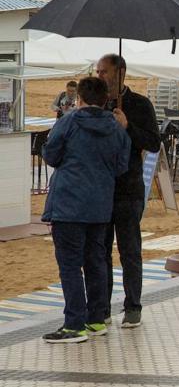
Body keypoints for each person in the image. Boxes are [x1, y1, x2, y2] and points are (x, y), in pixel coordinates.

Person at [41, 77, 130, 343]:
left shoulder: (69, 121)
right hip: (100, 205)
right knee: (96, 261)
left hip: (69, 204)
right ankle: (96, 319)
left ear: (79, 98)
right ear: (105, 99)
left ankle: (74, 324)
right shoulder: (116, 128)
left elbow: (50, 155)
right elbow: (121, 166)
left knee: (69, 265)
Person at [95, 54, 161, 328]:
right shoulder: (96, 104)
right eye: (97, 72)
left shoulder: (140, 104)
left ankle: (132, 306)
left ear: (120, 72)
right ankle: (102, 308)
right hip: (100, 190)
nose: (100, 76)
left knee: (129, 250)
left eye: (104, 72)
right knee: (99, 252)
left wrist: (127, 126)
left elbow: (153, 143)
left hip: (129, 189)